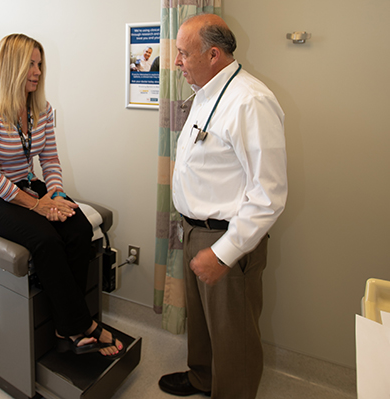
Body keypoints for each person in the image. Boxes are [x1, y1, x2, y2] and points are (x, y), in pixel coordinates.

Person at [0, 33, 125, 359]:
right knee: (46, 240)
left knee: (79, 227)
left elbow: (49, 159)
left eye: (39, 64)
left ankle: (66, 324)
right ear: (11, 67)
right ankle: (82, 324)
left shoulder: (41, 109)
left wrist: (55, 195)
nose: (38, 71)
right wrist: (39, 207)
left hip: (28, 186)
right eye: (30, 64)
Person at [158, 14, 287, 399]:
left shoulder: (251, 102)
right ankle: (202, 378)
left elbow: (269, 194)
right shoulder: (205, 92)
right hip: (196, 231)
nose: (177, 62)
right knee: (203, 325)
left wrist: (224, 252)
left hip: (228, 238)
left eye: (183, 53)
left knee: (235, 339)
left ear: (213, 54)